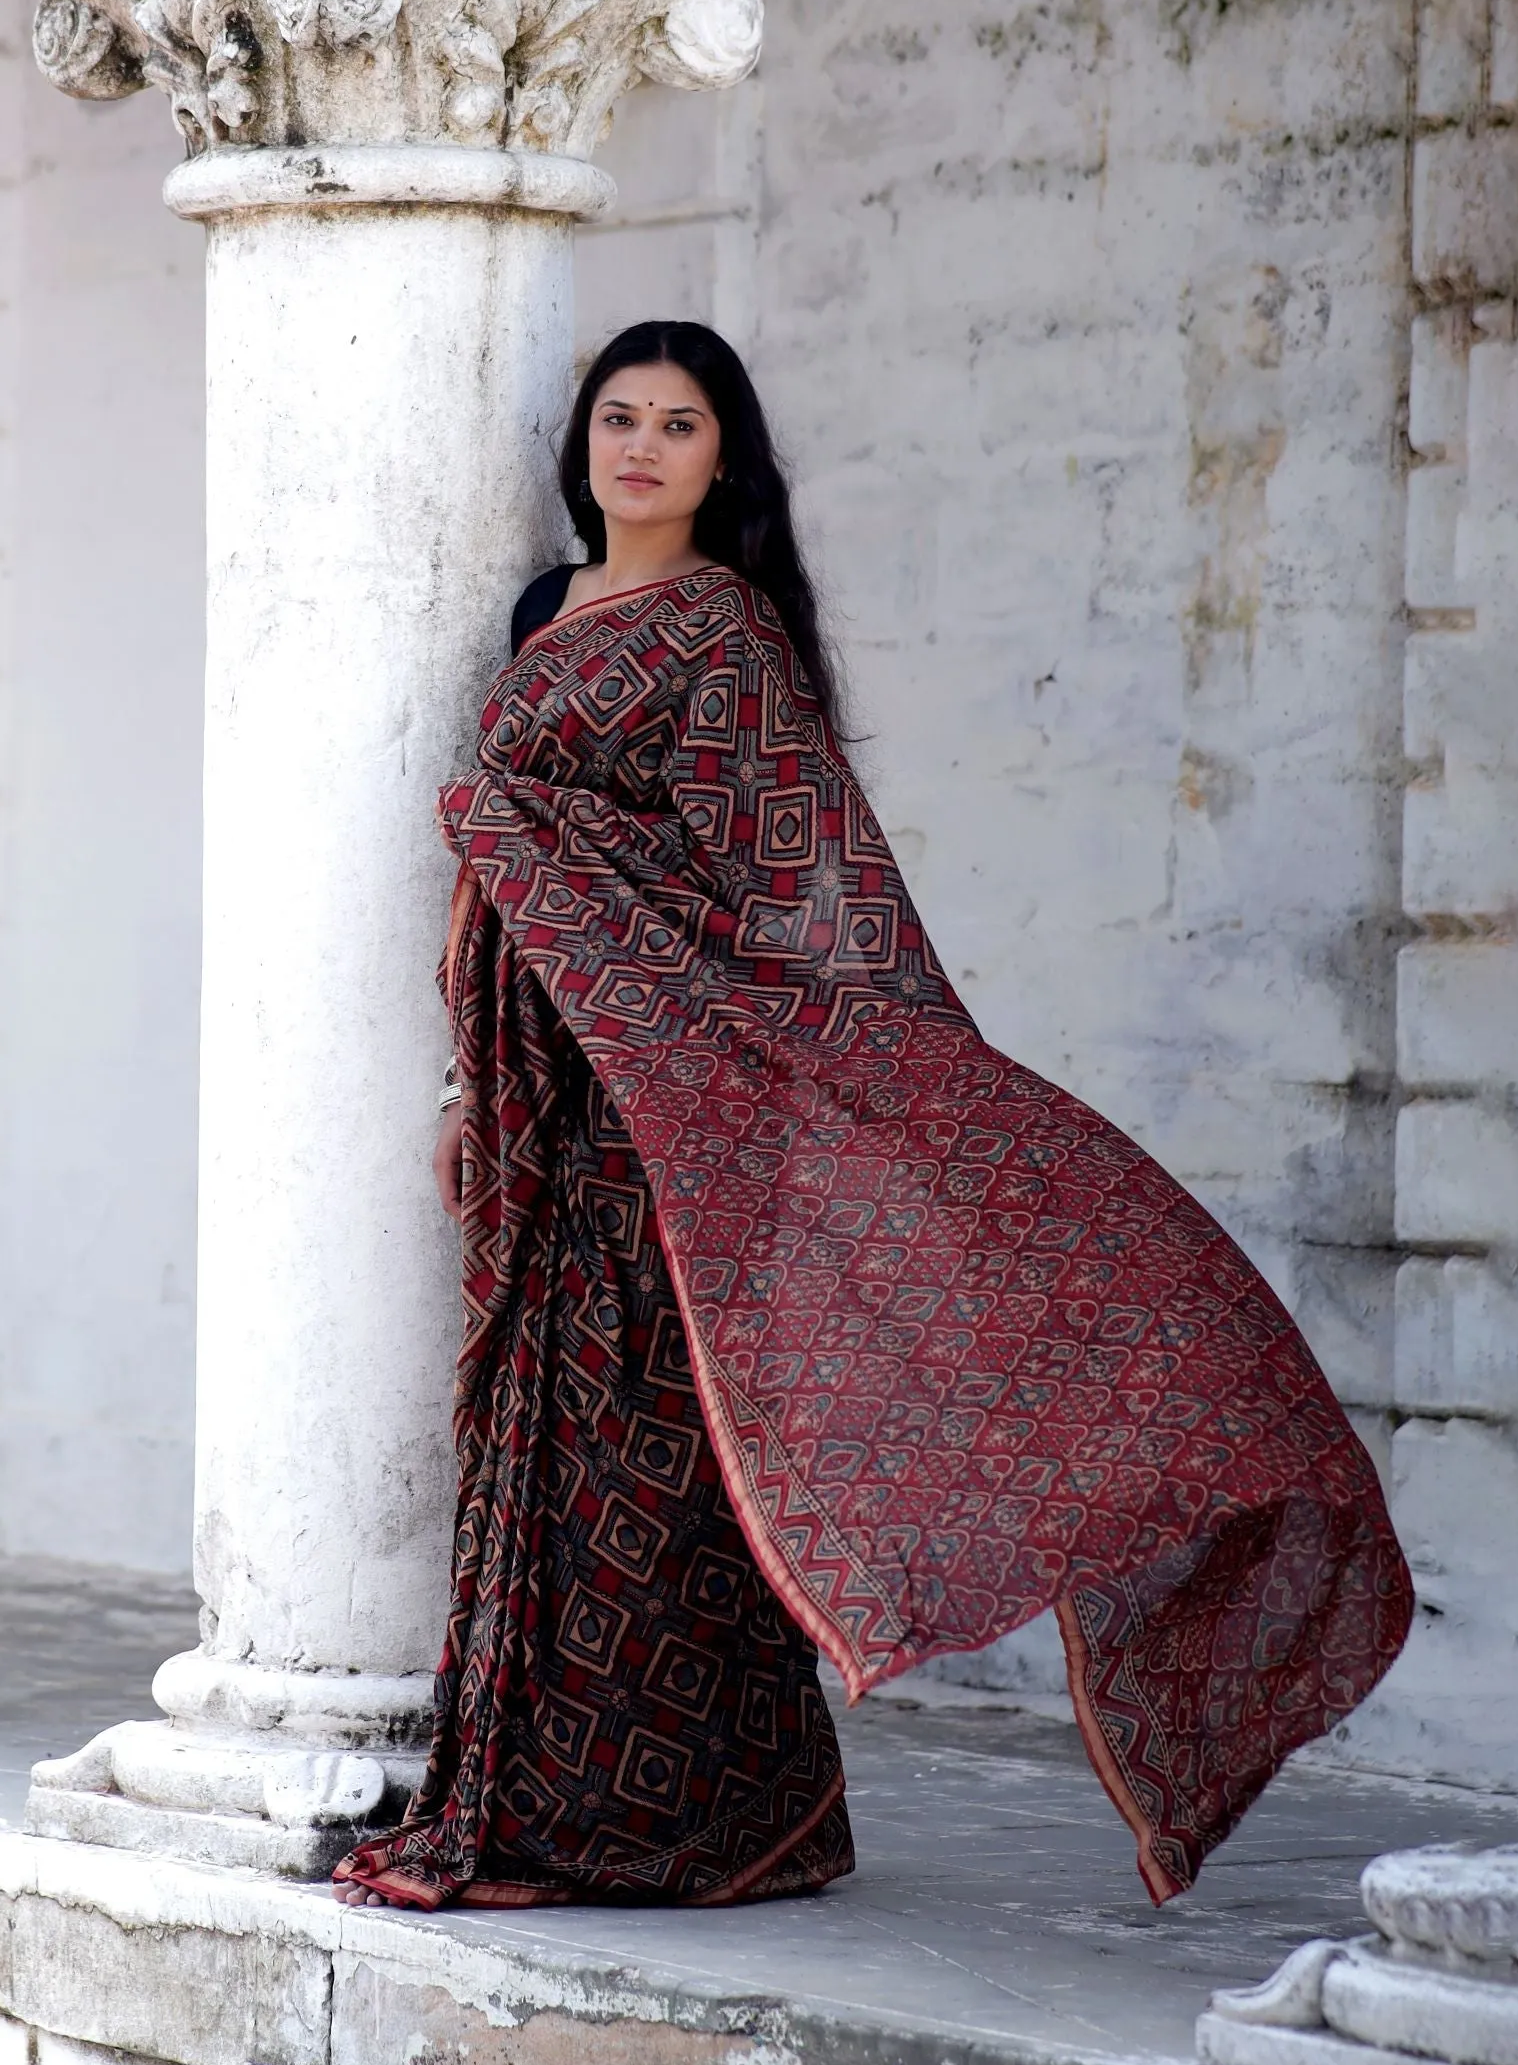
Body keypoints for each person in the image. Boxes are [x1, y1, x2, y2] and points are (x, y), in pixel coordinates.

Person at [332, 321, 1412, 1913]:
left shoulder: (727, 637)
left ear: (723, 459)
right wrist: (461, 1085)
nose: (639, 448)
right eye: (616, 419)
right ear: (584, 451)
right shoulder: (543, 613)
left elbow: (787, 897)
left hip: (676, 1100)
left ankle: (683, 1825)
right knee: (540, 1443)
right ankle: (593, 1803)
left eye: (677, 425)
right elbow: (506, 864)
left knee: (655, 1445)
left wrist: (701, 1028)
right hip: (544, 1090)